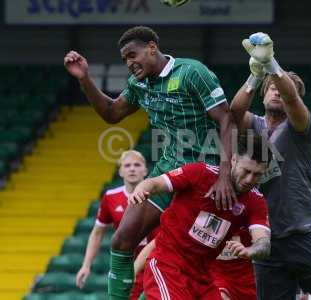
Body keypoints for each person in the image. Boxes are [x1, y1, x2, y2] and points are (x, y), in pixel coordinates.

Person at [64, 26, 236, 299]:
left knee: (194, 257)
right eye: (124, 60)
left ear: (152, 47)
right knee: (122, 239)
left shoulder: (192, 72)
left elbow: (226, 118)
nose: (130, 63)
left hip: (205, 172)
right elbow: (111, 113)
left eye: (133, 55)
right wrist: (85, 78)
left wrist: (225, 175)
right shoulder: (138, 84)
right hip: (168, 169)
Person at [230, 32, 311, 300]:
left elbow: (292, 99)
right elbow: (234, 112)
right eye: (271, 88)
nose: (277, 93)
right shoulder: (254, 126)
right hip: (266, 239)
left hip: (304, 232)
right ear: (263, 94)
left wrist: (272, 65)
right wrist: (256, 74)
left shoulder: (298, 127)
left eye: (281, 90)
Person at [129, 134, 271, 300]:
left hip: (202, 278)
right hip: (167, 266)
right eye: (246, 171)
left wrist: (250, 251)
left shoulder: (255, 201)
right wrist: (140, 189)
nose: (249, 179)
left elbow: (263, 243)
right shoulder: (200, 173)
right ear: (233, 160)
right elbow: (154, 183)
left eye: (257, 175)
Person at [75, 150, 155, 299]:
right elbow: (97, 233)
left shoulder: (157, 196)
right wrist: (86, 265)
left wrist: (137, 266)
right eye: (127, 165)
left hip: (154, 265)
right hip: (125, 266)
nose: (132, 169)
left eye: (137, 165)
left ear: (145, 170)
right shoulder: (110, 197)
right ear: (120, 171)